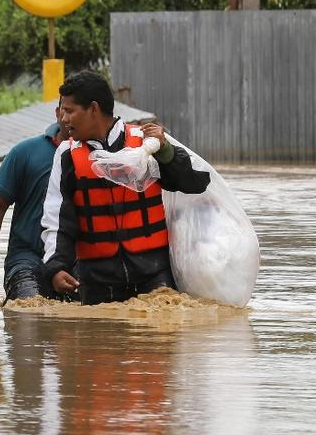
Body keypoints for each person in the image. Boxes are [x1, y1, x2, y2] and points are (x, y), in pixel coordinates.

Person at [41, 71, 210, 305]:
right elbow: (56, 220)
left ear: (93, 109)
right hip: (95, 278)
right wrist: (55, 268)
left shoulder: (148, 142)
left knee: (162, 335)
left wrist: (166, 152)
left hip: (153, 274)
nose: (64, 118)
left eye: (69, 111)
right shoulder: (66, 155)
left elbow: (196, 183)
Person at [0, 97, 71, 303]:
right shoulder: (25, 152)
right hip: (27, 258)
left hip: (77, 261)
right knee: (28, 310)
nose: (69, 118)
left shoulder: (99, 157)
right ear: (57, 112)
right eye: (65, 111)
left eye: (76, 111)